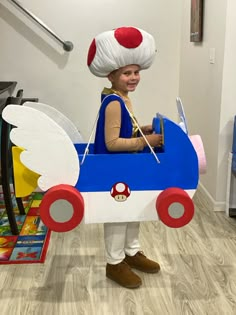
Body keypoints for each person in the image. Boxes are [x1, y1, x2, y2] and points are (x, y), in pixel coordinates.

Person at [87, 26, 162, 289]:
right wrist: (146, 141)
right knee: (118, 214)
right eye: (127, 73)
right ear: (112, 75)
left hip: (126, 168)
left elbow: (123, 131)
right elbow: (113, 143)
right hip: (114, 170)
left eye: (136, 72)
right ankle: (114, 262)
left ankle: (131, 253)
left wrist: (143, 130)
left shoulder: (121, 97)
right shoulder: (115, 103)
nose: (133, 77)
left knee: (133, 210)